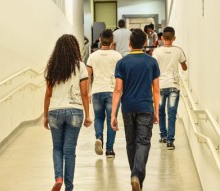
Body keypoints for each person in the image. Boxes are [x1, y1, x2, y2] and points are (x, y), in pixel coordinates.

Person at [111, 28, 160, 191]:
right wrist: (157, 111)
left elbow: (118, 90)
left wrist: (113, 114)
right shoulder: (151, 62)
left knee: (131, 143)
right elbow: (156, 89)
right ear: (145, 43)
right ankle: (136, 175)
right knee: (144, 142)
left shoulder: (122, 63)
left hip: (128, 107)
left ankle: (135, 176)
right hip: (146, 107)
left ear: (130, 43)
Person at [43, 34, 92, 191]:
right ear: (74, 48)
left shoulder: (52, 67)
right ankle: (69, 187)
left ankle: (58, 177)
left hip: (55, 112)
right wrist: (88, 115)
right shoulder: (80, 66)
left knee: (57, 148)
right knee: (69, 151)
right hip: (74, 111)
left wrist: (45, 116)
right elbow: (84, 93)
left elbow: (48, 93)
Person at [86, 29, 122, 158]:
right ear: (112, 41)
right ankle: (110, 150)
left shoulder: (92, 56)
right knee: (112, 120)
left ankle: (99, 138)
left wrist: (88, 92)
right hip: (113, 92)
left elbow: (88, 75)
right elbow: (121, 76)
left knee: (99, 118)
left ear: (100, 40)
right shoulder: (117, 56)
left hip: (97, 91)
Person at [152, 26, 187, 150]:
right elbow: (184, 67)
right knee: (171, 114)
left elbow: (153, 68)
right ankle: (170, 142)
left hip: (160, 86)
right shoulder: (178, 50)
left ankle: (163, 136)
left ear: (162, 38)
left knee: (161, 112)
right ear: (174, 38)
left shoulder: (156, 52)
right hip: (173, 85)